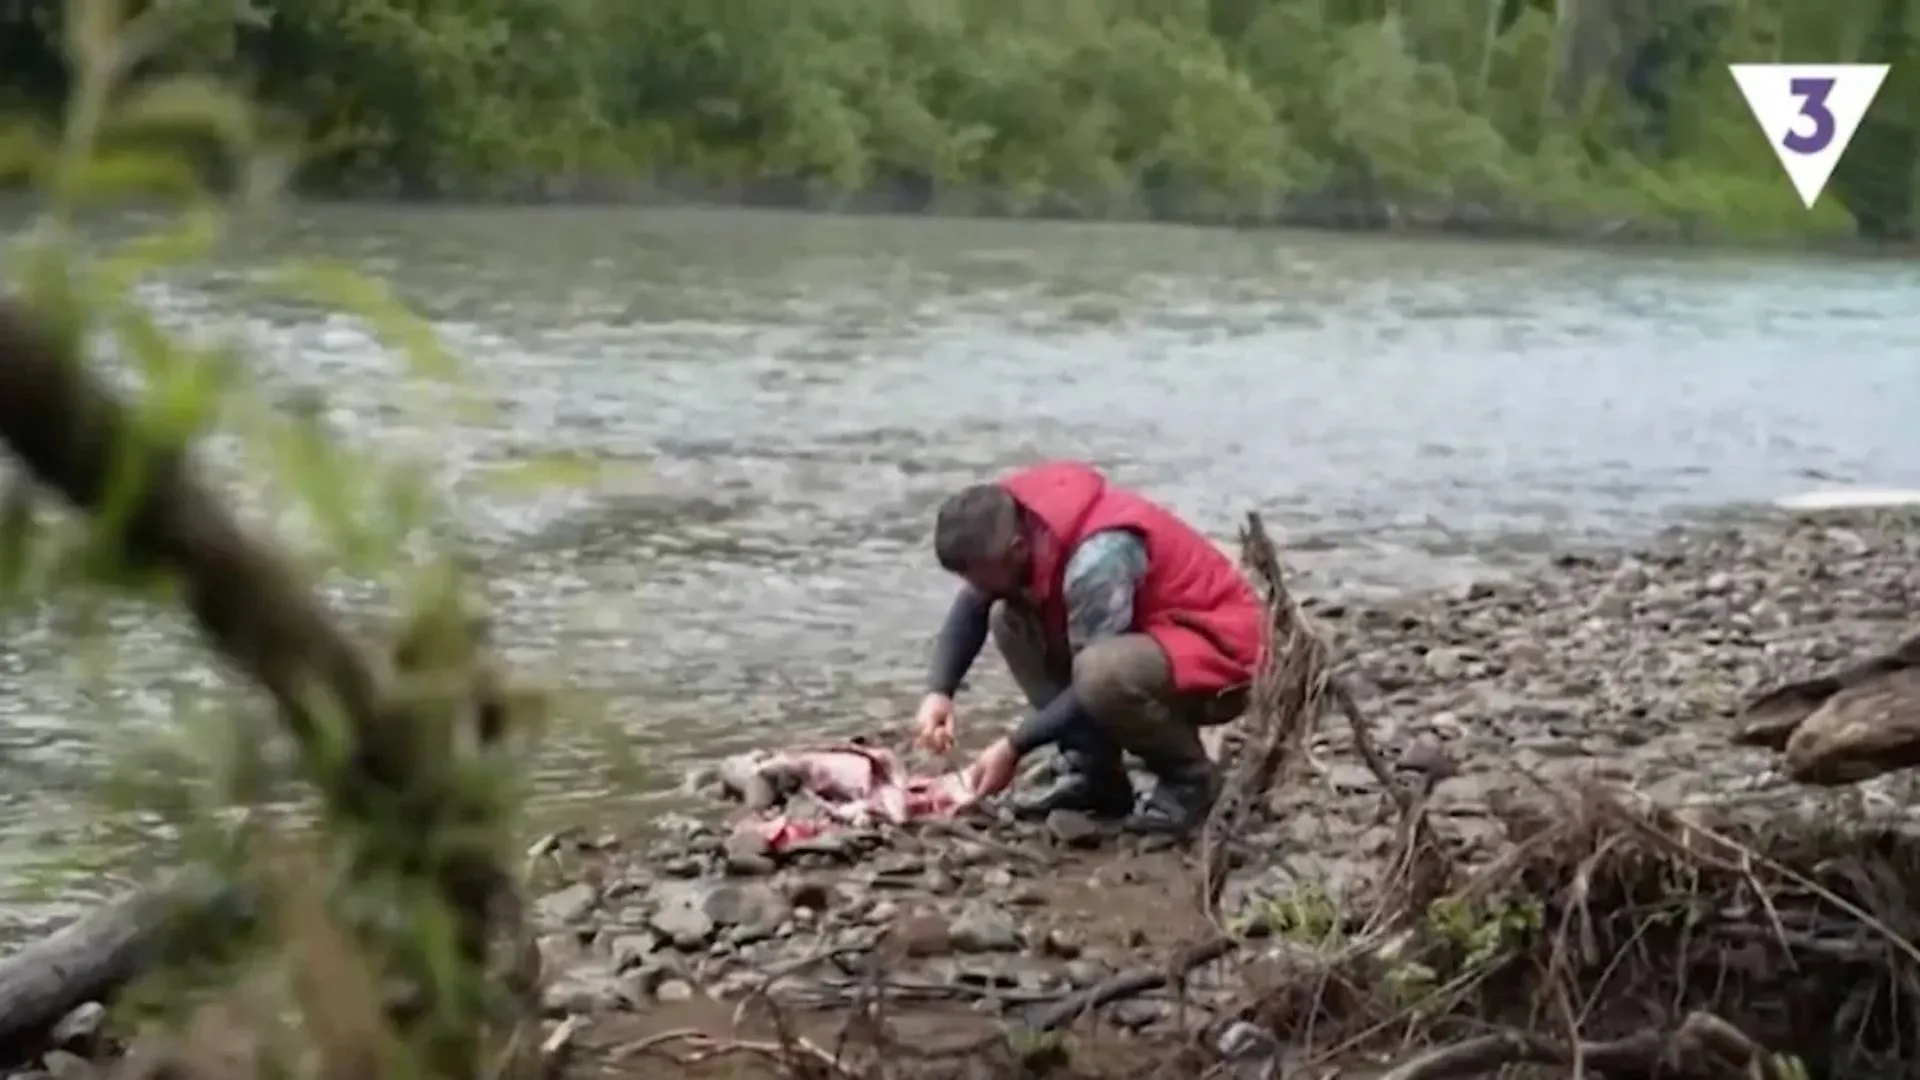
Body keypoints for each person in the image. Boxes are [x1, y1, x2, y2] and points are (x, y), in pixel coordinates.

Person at [913, 460, 1265, 835]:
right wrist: (940, 691)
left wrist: (1014, 746)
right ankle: (1096, 776)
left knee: (1101, 674)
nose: (971, 585)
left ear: (1016, 548)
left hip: (1224, 657)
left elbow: (1088, 690)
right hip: (1157, 639)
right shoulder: (1012, 519)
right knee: (1008, 618)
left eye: (975, 574)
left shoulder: (1096, 561)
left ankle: (1190, 782)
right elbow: (977, 600)